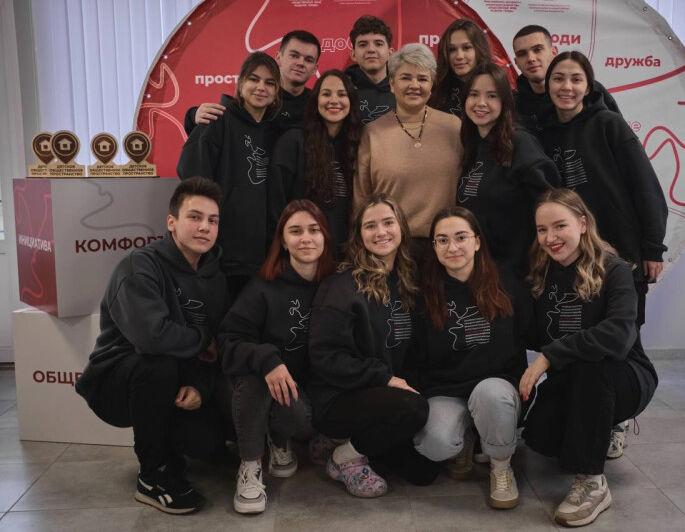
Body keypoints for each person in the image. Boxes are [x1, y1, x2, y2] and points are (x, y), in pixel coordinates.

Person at [75, 177, 229, 515]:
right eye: (195, 217)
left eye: (213, 220)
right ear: (171, 222)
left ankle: (170, 452)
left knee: (208, 445)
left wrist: (198, 385)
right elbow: (152, 337)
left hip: (176, 378)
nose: (205, 227)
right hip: (117, 383)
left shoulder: (217, 278)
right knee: (157, 364)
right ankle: (151, 476)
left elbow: (216, 347)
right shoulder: (139, 266)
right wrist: (202, 340)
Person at [520, 188, 658, 527]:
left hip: (623, 374)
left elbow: (618, 337)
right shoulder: (541, 274)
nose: (550, 238)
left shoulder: (616, 270)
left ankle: (593, 483)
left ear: (582, 224)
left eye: (560, 226)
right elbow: (529, 333)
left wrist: (548, 357)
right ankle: (600, 424)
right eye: (542, 229)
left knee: (591, 367)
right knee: (540, 438)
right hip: (572, 380)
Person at [307, 194, 432, 498]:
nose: (381, 232)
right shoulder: (342, 285)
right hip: (339, 398)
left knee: (424, 473)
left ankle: (349, 443)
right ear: (358, 235)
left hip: (383, 396)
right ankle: (342, 457)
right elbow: (326, 356)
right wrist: (385, 378)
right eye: (370, 226)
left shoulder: (406, 280)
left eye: (388, 223)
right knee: (414, 409)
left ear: (401, 228)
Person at [218, 200, 336, 514]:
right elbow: (229, 340)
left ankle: (278, 438)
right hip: (257, 388)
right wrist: (268, 359)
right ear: (283, 241)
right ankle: (250, 464)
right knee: (258, 373)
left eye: (314, 230)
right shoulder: (263, 286)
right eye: (295, 231)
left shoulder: (337, 283)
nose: (306, 238)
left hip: (306, 397)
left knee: (297, 415)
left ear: (325, 237)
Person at [536, 50, 667, 329]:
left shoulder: (610, 124)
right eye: (558, 79)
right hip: (574, 258)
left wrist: (653, 248)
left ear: (588, 87)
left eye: (576, 79)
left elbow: (645, 187)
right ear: (548, 86)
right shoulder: (542, 134)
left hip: (621, 252)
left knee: (624, 335)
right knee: (580, 333)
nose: (566, 87)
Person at [411, 207, 531, 509]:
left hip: (496, 388)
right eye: (442, 240)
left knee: (489, 394)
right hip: (446, 390)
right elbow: (417, 354)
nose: (452, 247)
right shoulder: (424, 292)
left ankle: (501, 467)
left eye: (461, 237)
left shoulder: (507, 283)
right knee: (434, 445)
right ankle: (465, 435)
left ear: (477, 242)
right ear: (434, 247)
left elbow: (527, 334)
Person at [177, 52, 281, 299]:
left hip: (263, 257)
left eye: (269, 83)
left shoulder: (275, 133)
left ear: (277, 92)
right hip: (221, 257)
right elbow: (193, 181)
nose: (261, 87)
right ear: (240, 83)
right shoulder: (216, 120)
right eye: (253, 79)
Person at [354, 43, 461, 261]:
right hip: (390, 250)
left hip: (447, 248)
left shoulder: (454, 127)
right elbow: (361, 199)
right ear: (392, 84)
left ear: (432, 85)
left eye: (422, 79)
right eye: (405, 78)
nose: (414, 85)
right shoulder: (372, 132)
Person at [458, 63, 560, 277]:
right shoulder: (472, 144)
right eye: (474, 94)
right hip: (482, 271)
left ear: (505, 102)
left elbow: (551, 203)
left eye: (492, 96)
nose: (481, 103)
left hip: (518, 272)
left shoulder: (520, 143)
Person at [268, 70, 363, 255]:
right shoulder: (293, 142)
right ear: (315, 100)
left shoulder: (358, 144)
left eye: (342, 94)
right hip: (302, 253)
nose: (334, 100)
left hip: (347, 254)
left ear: (351, 101)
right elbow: (276, 205)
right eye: (326, 94)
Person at [185, 30, 321, 135]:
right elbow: (228, 119)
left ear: (315, 68)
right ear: (278, 57)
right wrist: (193, 116)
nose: (300, 63)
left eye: (308, 60)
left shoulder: (319, 103)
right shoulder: (259, 96)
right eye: (294, 55)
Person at [511, 25, 620, 133]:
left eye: (538, 50)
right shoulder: (513, 105)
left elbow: (618, 132)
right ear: (516, 62)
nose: (530, 58)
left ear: (554, 52)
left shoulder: (591, 90)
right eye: (522, 54)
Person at [429, 18, 493, 117]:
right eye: (452, 49)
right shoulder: (432, 91)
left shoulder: (498, 88)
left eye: (466, 48)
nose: (459, 56)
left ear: (479, 49)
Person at [346, 15, 396, 123]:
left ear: (390, 53)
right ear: (353, 54)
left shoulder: (403, 89)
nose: (371, 49)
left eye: (378, 44)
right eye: (363, 45)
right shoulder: (342, 89)